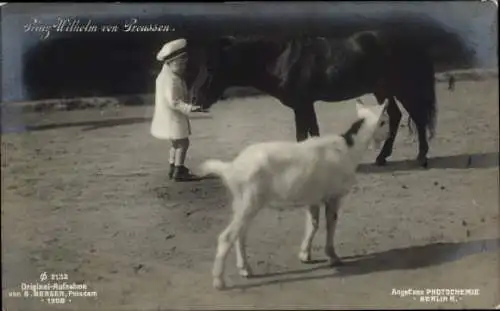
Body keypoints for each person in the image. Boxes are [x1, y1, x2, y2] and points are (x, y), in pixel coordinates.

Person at [151, 38, 204, 182]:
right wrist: (190, 108)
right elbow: (174, 102)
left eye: (184, 64)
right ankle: (179, 170)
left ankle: (173, 166)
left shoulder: (167, 76)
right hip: (174, 118)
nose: (182, 67)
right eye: (179, 64)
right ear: (169, 63)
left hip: (169, 118)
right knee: (183, 143)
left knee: (176, 144)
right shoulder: (172, 80)